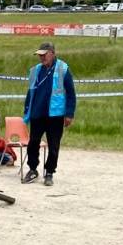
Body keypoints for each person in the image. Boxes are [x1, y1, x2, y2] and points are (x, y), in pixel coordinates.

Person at [22, 42, 76, 187]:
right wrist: (27, 110)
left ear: (52, 53)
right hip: (37, 113)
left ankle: (49, 172)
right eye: (39, 55)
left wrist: (69, 113)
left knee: (53, 146)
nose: (41, 57)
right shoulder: (35, 70)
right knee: (33, 143)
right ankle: (33, 169)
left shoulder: (63, 68)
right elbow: (30, 92)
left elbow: (71, 93)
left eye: (44, 54)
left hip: (55, 114)